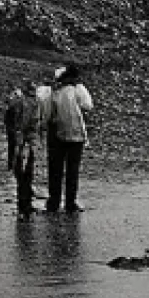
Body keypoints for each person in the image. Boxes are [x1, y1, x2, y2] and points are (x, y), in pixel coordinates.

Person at [45, 64, 93, 214]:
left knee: (55, 170)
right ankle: (70, 203)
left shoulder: (54, 92)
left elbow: (48, 114)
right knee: (72, 171)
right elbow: (88, 106)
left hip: (57, 135)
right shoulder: (78, 90)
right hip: (76, 136)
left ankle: (54, 202)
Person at [10, 80, 45, 216]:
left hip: (22, 139)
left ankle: (23, 201)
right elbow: (37, 123)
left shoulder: (19, 102)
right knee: (27, 170)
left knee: (21, 170)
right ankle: (25, 202)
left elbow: (14, 122)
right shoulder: (36, 102)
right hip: (28, 139)